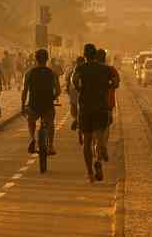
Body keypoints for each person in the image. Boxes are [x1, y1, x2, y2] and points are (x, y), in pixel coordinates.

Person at [70, 44, 115, 182]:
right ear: (95, 55)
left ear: (84, 55)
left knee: (87, 141)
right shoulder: (106, 69)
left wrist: (79, 88)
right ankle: (99, 161)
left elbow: (74, 80)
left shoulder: (80, 68)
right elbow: (116, 81)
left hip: (85, 108)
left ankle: (90, 173)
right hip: (101, 107)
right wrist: (108, 86)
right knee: (100, 138)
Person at [23, 47, 60, 163]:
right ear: (47, 59)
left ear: (36, 59)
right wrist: (52, 98)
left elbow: (25, 91)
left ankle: (32, 138)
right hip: (48, 104)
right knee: (50, 123)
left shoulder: (29, 73)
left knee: (31, 120)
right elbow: (58, 90)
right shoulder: (52, 73)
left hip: (33, 104)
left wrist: (22, 105)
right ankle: (51, 146)